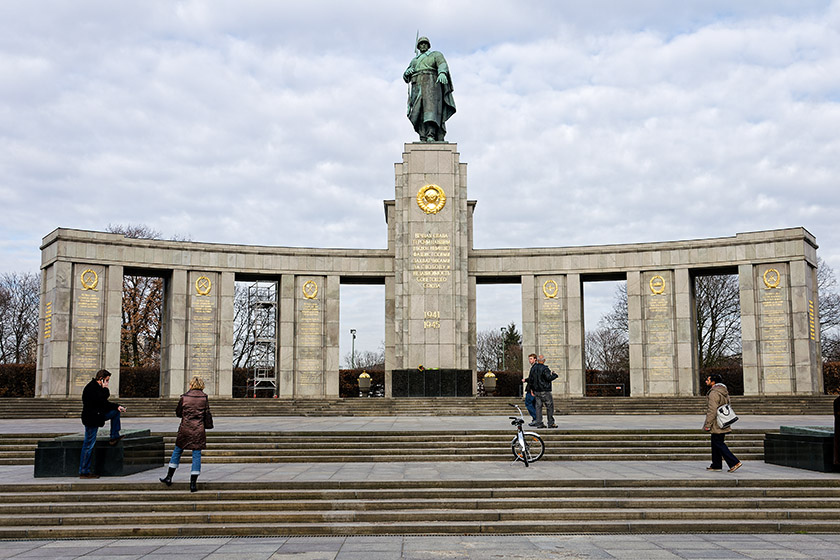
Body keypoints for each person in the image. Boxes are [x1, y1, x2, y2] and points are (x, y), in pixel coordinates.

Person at [160, 376, 212, 492]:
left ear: (191, 385)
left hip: (185, 428)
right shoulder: (204, 398)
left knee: (177, 451)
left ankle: (169, 477)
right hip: (198, 429)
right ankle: (193, 484)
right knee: (196, 455)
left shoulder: (184, 397)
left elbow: (178, 412)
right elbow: (207, 414)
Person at [403, 36, 456, 142]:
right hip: (416, 86)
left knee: (430, 111)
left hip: (431, 83)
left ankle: (430, 134)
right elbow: (406, 76)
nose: (423, 45)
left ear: (428, 45)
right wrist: (406, 73)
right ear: (418, 47)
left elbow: (442, 64)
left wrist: (442, 73)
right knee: (419, 112)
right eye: (421, 44)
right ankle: (422, 136)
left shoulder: (435, 55)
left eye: (424, 43)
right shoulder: (414, 60)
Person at [79, 369, 126, 479]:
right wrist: (105, 389)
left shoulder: (96, 388)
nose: (108, 383)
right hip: (92, 419)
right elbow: (102, 401)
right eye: (107, 380)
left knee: (115, 412)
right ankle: (84, 471)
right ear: (101, 379)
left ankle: (114, 436)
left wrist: (117, 406)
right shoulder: (92, 388)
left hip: (98, 416)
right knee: (88, 445)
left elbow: (104, 403)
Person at [703, 374, 741, 472]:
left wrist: (707, 425)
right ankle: (716, 464)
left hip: (717, 422)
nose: (706, 381)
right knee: (715, 442)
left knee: (718, 443)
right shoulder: (724, 391)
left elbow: (712, 410)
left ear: (713, 382)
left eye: (708, 379)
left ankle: (734, 462)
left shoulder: (714, 393)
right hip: (723, 420)